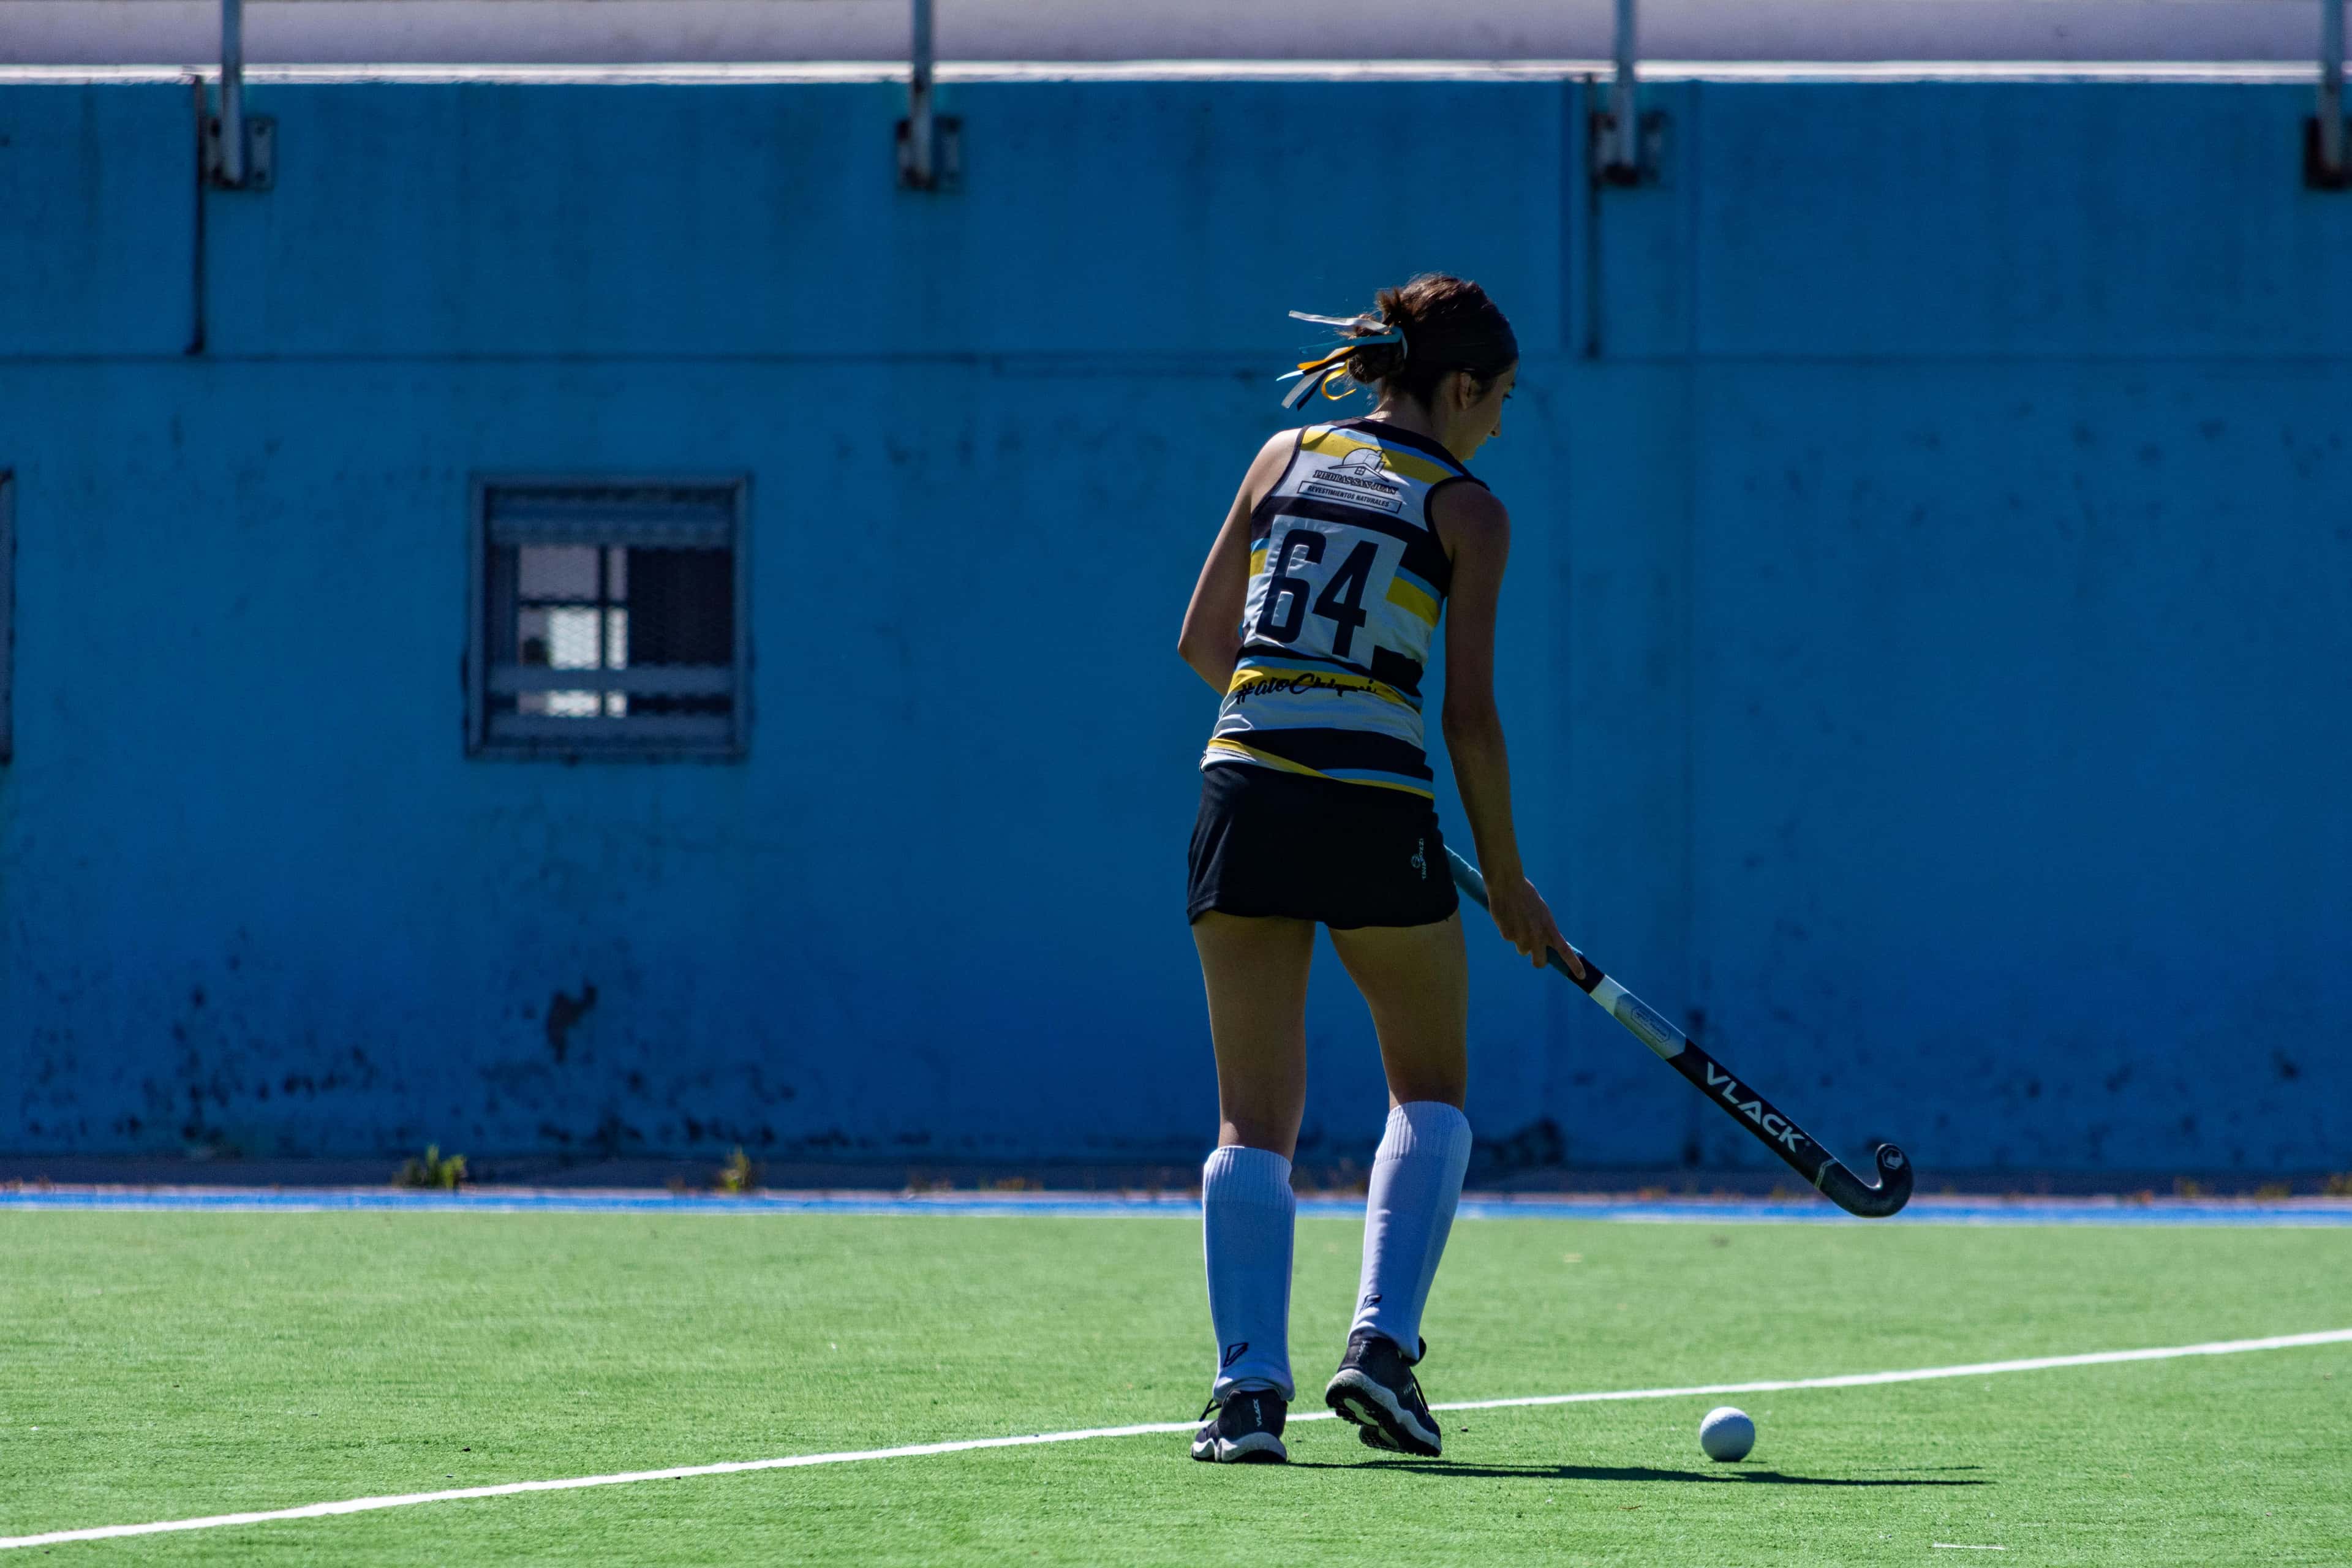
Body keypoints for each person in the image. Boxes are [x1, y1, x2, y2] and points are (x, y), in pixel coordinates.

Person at [1177, 273, 1581, 1464]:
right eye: (1498, 398)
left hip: (1241, 787)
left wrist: (1300, 727)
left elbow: (1207, 641)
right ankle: (1383, 1351)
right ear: (1459, 387)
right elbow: (1468, 720)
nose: (1500, 422)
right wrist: (1508, 877)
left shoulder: (1282, 454)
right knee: (1431, 1087)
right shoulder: (1467, 507)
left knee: (1254, 1115)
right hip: (1374, 808)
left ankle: (1248, 1393)